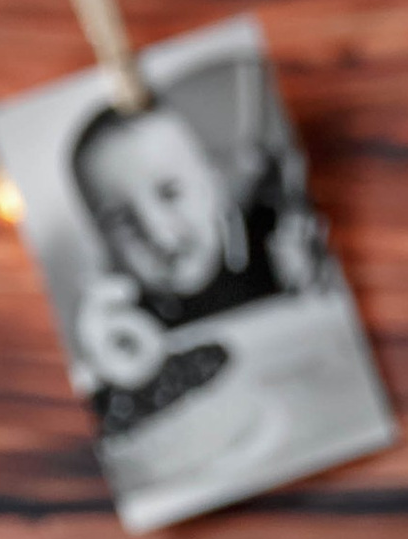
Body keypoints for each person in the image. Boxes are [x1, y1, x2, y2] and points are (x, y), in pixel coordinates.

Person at [65, 95, 326, 440]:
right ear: (102, 241)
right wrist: (111, 363)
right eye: (122, 220)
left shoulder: (277, 238)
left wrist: (314, 282)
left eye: (171, 193)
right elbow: (118, 422)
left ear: (212, 185)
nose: (158, 232)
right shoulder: (130, 318)